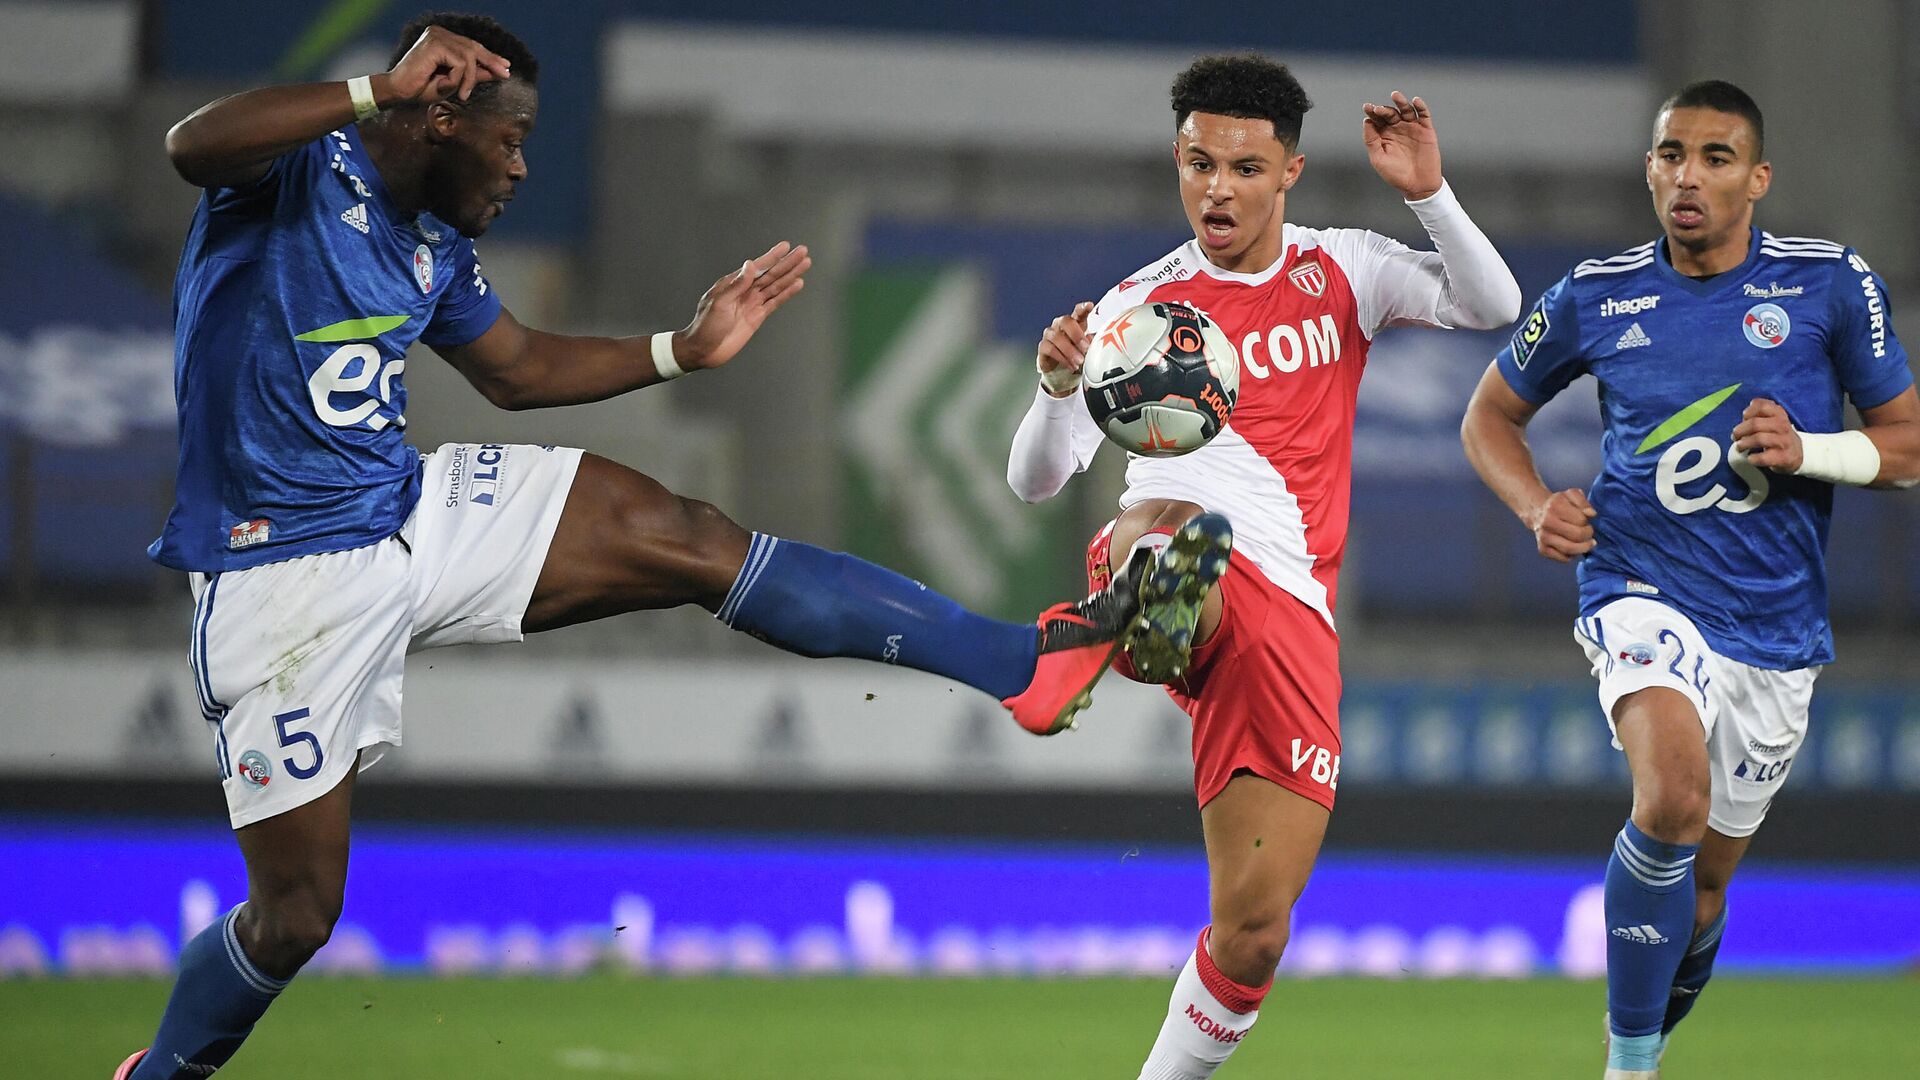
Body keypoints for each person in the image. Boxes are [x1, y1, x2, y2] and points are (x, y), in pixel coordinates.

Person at [113, 13, 1188, 1079]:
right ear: (436, 116)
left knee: (685, 536)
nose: (525, 166)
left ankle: (1021, 664)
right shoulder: (294, 171)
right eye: (512, 138)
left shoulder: (436, 243)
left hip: (406, 510)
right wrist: (371, 89)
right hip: (280, 575)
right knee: (298, 915)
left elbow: (519, 370)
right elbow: (188, 147)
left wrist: (685, 347)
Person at [1007, 55, 1520, 1080]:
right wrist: (1058, 387)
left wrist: (1427, 193)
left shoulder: (1345, 270)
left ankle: (1136, 625)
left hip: (1290, 618)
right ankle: (1135, 609)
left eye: (1244, 166)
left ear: (1288, 169)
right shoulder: (1138, 305)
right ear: (1178, 160)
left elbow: (1491, 304)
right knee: (1171, 522)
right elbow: (1038, 479)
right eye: (1199, 163)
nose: (1216, 188)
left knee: (1253, 935)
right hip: (1182, 543)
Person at [1460, 80, 1920, 1080]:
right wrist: (1538, 505)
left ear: (1758, 178)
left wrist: (1809, 450)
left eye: (1716, 157)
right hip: (1639, 583)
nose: (1688, 176)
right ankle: (1629, 1071)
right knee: (1669, 798)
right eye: (1672, 154)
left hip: (1776, 628)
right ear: (1649, 168)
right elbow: (1487, 420)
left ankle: (1648, 1032)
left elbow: (1909, 445)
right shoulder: (1595, 293)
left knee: (1703, 889)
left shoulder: (1831, 284)